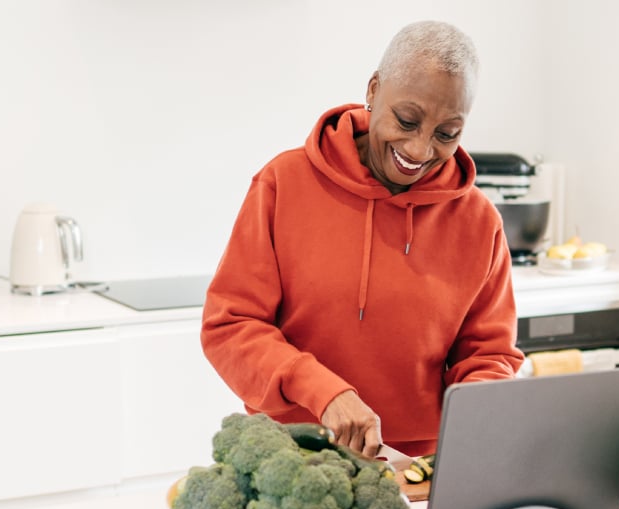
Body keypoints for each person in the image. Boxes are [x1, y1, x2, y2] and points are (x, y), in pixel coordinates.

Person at [201, 20, 524, 459]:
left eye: (447, 133)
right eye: (406, 120)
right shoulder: (284, 183)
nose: (419, 149)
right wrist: (324, 393)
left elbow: (489, 355)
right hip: (294, 450)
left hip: (421, 464)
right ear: (374, 90)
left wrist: (477, 421)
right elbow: (230, 327)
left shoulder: (479, 221)